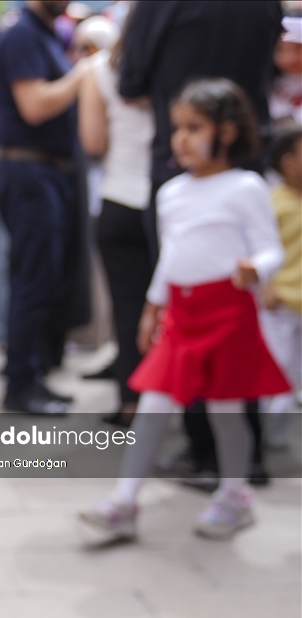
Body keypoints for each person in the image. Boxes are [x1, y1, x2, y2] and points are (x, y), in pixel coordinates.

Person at [78, 79, 289, 544]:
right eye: (177, 128)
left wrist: (257, 268)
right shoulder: (171, 192)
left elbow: (271, 250)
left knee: (226, 410)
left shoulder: (246, 186)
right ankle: (125, 501)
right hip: (183, 317)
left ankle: (236, 494)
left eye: (194, 127)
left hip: (229, 313)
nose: (182, 138)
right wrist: (154, 306)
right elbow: (170, 258)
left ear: (228, 132)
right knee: (153, 405)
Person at [0, 0, 91, 415]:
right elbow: (34, 105)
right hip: (28, 170)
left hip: (47, 173)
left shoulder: (44, 34)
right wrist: (82, 73)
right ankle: (21, 383)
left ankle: (33, 373)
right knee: (32, 279)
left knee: (43, 277)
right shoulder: (22, 35)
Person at [77, 9, 154, 427]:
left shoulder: (96, 70)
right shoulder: (169, 70)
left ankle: (131, 403)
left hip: (119, 198)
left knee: (127, 312)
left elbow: (93, 141)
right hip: (165, 201)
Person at [259, 123, 302, 446]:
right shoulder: (272, 201)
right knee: (274, 364)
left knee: (295, 374)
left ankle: (276, 433)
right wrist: (266, 285)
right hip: (280, 302)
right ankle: (258, 430)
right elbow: (259, 248)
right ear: (288, 161)